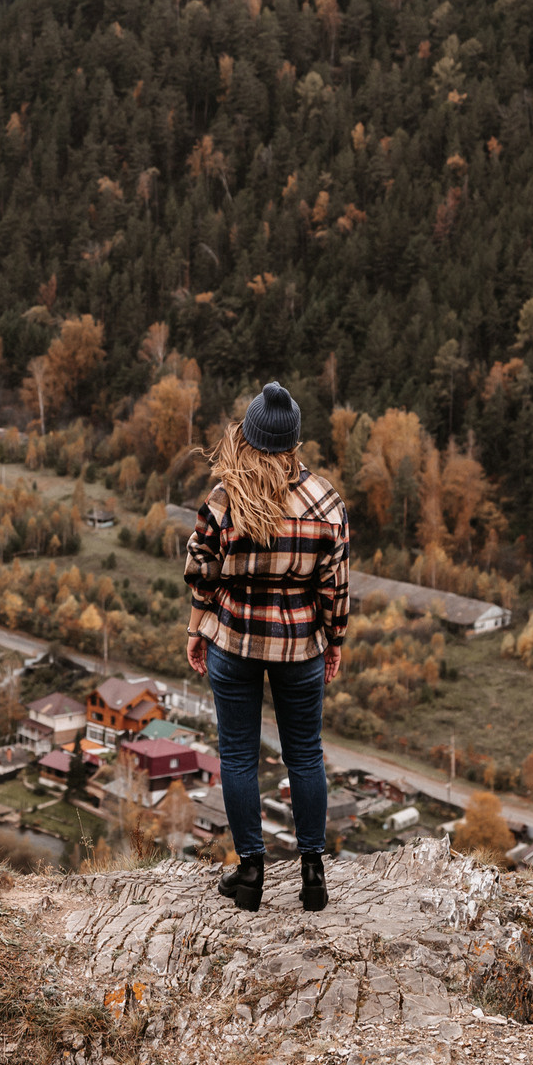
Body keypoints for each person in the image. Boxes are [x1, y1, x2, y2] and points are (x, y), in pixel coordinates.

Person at [182, 381, 349, 914]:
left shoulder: (225, 499)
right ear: (295, 443)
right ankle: (313, 873)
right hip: (300, 646)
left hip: (233, 640)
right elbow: (335, 587)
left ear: (249, 438)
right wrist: (333, 640)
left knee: (237, 755)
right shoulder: (326, 501)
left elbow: (200, 569)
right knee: (305, 755)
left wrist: (196, 625)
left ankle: (251, 873)